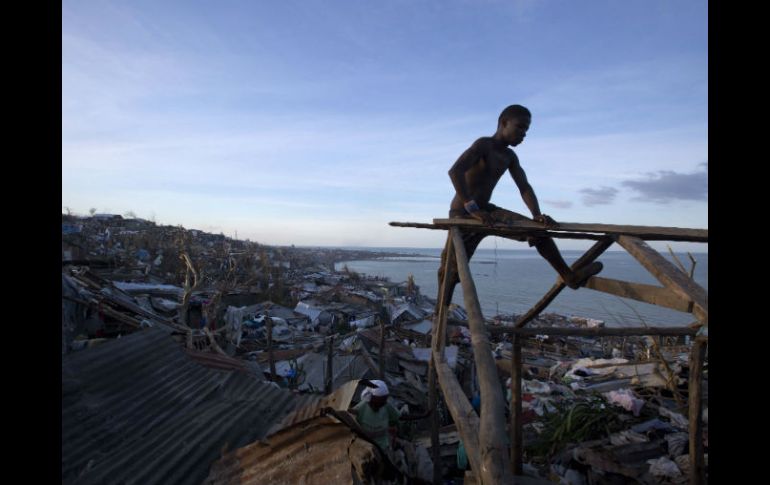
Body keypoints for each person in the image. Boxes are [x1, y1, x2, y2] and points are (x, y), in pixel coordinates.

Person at [439, 104, 603, 303]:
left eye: (526, 130)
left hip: (488, 213)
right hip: (463, 213)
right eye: (520, 127)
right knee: (451, 270)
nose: (523, 134)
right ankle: (442, 309)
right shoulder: (484, 145)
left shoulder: (510, 156)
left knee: (538, 232)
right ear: (503, 123)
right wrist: (471, 208)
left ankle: (569, 276)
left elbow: (524, 187)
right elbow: (455, 172)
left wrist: (537, 215)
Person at [350, 380, 401, 451]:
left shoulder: (386, 406)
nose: (380, 406)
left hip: (383, 447)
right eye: (377, 403)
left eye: (382, 403)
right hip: (365, 448)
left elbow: (396, 418)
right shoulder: (360, 408)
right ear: (369, 398)